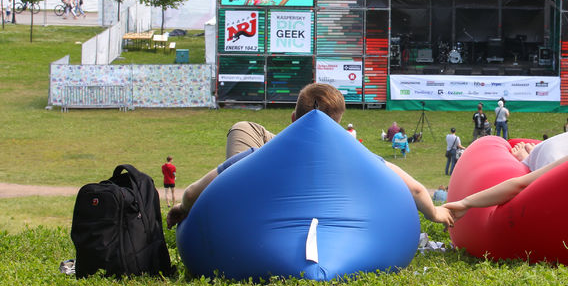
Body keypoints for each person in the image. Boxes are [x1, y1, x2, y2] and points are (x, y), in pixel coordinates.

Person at [167, 83, 454, 229]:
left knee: (245, 128)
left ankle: (289, 138)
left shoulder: (252, 160)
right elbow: (415, 188)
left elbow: (192, 194)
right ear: (340, 127)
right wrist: (436, 213)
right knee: (251, 132)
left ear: (293, 118)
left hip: (262, 178)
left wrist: (182, 210)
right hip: (310, 168)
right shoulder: (360, 159)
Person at [443, 88, 568, 218]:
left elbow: (521, 185)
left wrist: (466, 202)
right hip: (553, 159)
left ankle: (528, 158)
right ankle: (531, 155)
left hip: (536, 173)